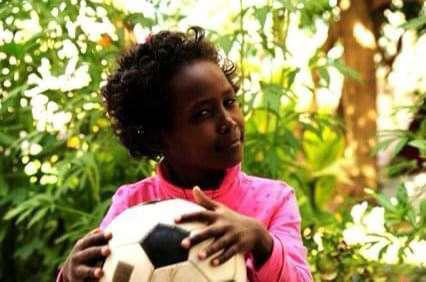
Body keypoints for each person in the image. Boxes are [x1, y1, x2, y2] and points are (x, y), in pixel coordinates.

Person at [57, 26, 312, 282]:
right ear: (159, 135)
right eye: (203, 113)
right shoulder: (131, 207)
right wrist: (71, 275)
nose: (228, 121)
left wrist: (261, 241)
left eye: (229, 102)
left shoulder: (273, 201)